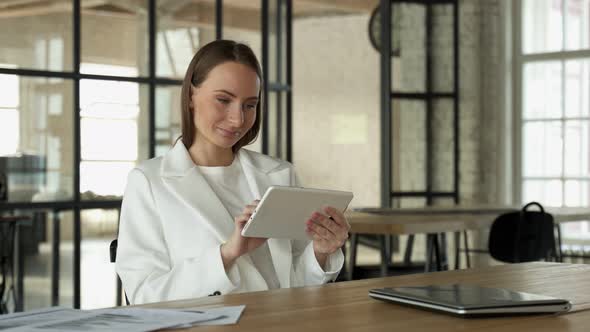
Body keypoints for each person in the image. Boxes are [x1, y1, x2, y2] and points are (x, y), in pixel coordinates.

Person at [115, 40, 350, 305]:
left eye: (249, 105)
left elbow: (295, 285)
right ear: (191, 95)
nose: (238, 119)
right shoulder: (149, 182)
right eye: (223, 100)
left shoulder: (281, 174)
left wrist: (320, 251)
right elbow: (144, 296)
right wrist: (227, 254)